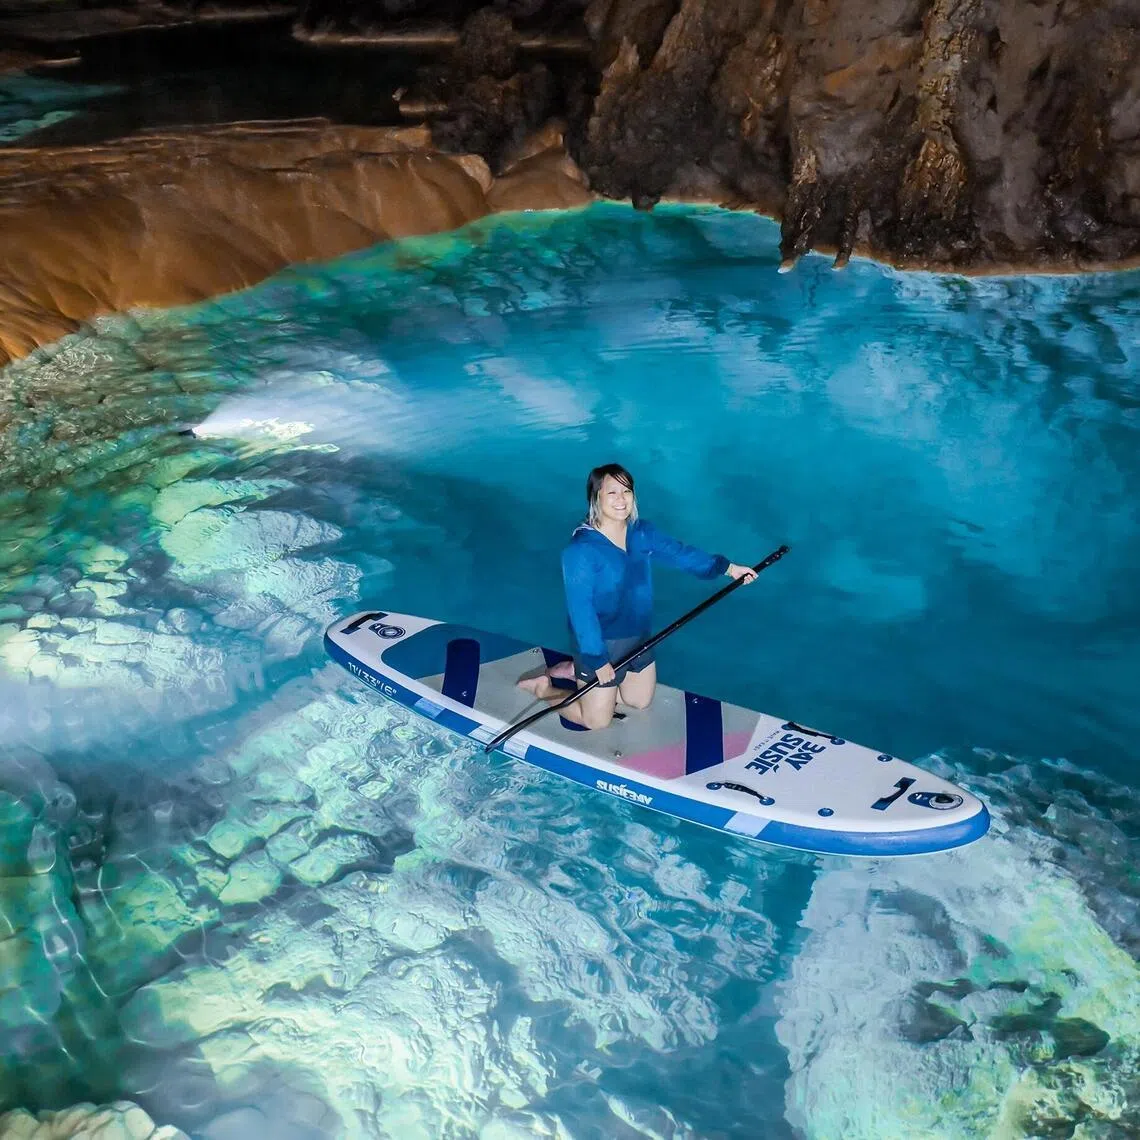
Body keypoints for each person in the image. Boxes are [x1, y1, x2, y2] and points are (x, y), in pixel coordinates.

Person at [518, 463, 757, 729]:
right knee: (596, 721)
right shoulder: (580, 551)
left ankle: (575, 671)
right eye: (612, 493)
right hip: (601, 642)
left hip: (638, 635)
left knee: (639, 702)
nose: (621, 500)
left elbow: (680, 554)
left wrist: (727, 568)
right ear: (595, 497)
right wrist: (597, 659)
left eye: (626, 491)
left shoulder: (641, 532)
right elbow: (580, 610)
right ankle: (544, 688)